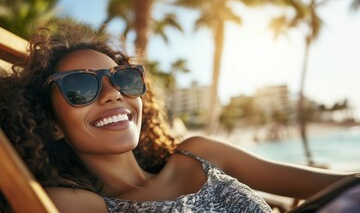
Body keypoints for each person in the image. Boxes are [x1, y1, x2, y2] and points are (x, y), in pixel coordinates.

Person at [0, 22, 355, 213]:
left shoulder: (198, 153)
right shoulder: (73, 204)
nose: (113, 93)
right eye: (79, 87)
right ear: (53, 125)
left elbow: (337, 186)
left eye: (123, 78)